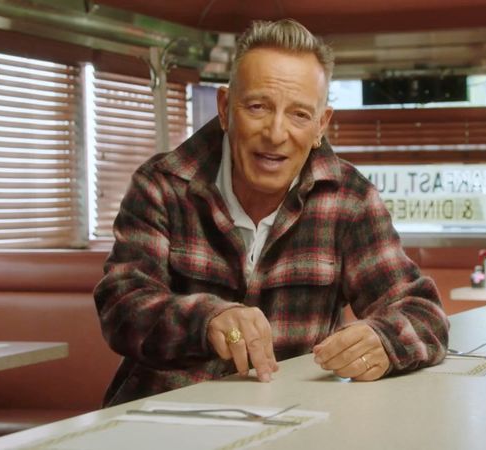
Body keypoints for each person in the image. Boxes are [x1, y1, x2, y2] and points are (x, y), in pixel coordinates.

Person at [94, 18, 449, 406]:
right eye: (258, 106)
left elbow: (422, 313)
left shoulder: (349, 199)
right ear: (226, 108)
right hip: (160, 418)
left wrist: (384, 340)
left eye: (298, 114)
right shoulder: (161, 185)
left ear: (321, 125)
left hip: (295, 424)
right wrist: (207, 319)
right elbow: (122, 306)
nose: (276, 133)